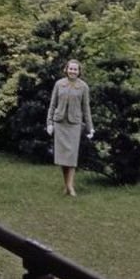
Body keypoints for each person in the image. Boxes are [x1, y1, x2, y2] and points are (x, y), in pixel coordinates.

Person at [46, 59, 94, 196]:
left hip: (74, 124)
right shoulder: (59, 84)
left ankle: (70, 186)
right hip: (60, 123)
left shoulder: (83, 87)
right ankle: (66, 185)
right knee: (62, 157)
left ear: (79, 72)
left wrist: (90, 127)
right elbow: (52, 104)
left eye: (75, 69)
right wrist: (49, 123)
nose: (73, 71)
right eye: (71, 69)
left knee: (71, 157)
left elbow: (86, 108)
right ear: (66, 69)